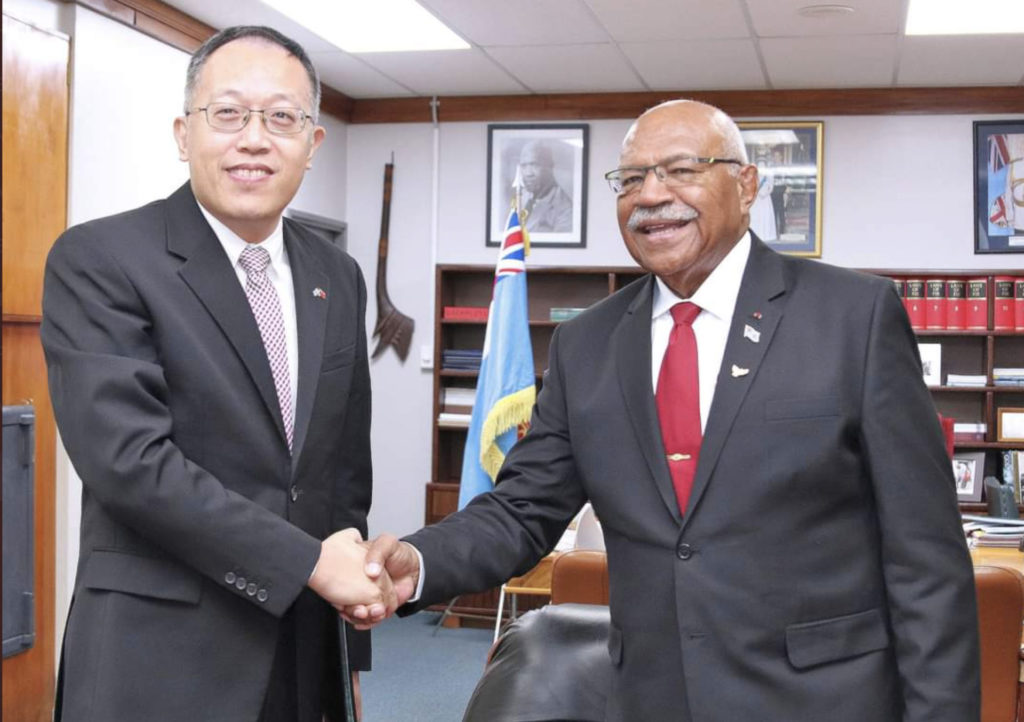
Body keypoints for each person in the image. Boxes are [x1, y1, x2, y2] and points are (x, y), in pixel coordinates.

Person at [356, 100, 980, 721]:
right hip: (653, 697)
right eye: (630, 179)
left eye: (682, 169)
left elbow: (925, 559)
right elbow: (523, 507)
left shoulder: (854, 316)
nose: (651, 195)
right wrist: (419, 561)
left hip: (823, 700)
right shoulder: (587, 345)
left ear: (746, 184)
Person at [41, 25, 394, 722]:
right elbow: (129, 463)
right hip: (159, 660)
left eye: (282, 117)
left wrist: (348, 638)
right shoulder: (101, 260)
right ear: (183, 133)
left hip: (305, 649)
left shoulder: (338, 276)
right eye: (228, 113)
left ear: (312, 145)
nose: (254, 139)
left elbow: (341, 476)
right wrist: (308, 564)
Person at [517, 140, 573, 233]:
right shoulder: (522, 197)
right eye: (524, 166)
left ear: (550, 167)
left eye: (534, 165)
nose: (528, 173)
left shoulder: (565, 211)